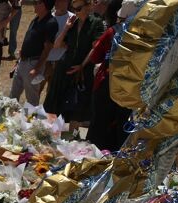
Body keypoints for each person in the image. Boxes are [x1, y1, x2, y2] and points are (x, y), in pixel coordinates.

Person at [44, 0, 102, 123]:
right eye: (74, 9)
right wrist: (66, 28)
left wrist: (82, 65)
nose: (76, 12)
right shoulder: (73, 23)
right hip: (64, 67)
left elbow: (95, 47)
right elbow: (57, 44)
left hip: (81, 71)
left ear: (88, 6)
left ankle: (70, 135)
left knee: (76, 107)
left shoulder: (96, 23)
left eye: (79, 8)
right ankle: (53, 132)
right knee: (56, 104)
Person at [85, 0, 129, 150]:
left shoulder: (113, 31)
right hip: (130, 91)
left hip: (107, 83)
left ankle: (93, 157)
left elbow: (95, 57)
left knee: (99, 123)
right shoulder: (147, 35)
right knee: (123, 127)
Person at [10, 0, 56, 104]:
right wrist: (18, 60)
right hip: (23, 62)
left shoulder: (50, 23)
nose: (34, 4)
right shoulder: (36, 19)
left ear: (44, 5)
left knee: (31, 99)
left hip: (33, 64)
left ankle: (31, 119)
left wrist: (37, 68)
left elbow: (47, 48)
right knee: (13, 95)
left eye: (37, 2)